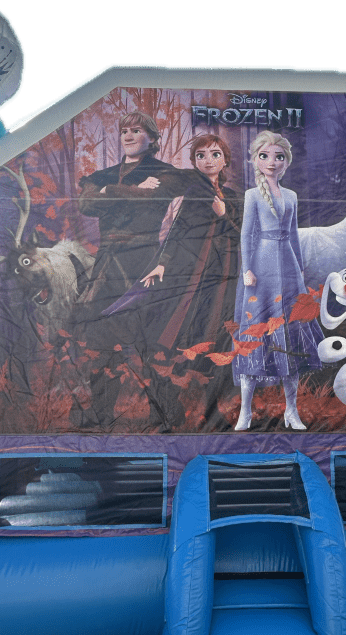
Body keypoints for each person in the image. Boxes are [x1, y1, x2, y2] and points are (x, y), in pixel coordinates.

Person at [106, 134, 242, 430]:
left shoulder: (233, 198)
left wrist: (222, 215)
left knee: (219, 336)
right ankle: (169, 407)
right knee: (178, 333)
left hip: (226, 276)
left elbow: (241, 235)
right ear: (194, 162)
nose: (208, 160)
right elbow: (177, 231)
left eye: (215, 154)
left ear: (225, 160)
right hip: (192, 272)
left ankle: (214, 408)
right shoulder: (193, 193)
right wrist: (161, 264)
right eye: (201, 155)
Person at [232, 130, 323, 431]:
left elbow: (294, 235)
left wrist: (300, 270)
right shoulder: (252, 195)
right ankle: (245, 411)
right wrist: (247, 269)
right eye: (265, 156)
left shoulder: (291, 196)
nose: (272, 162)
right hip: (261, 268)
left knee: (290, 333)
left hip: (288, 268)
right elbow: (246, 234)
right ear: (255, 160)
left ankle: (291, 411)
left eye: (278, 157)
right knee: (256, 332)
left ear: (286, 161)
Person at [78, 111, 178, 315]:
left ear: (152, 138)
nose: (128, 136)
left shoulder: (165, 172)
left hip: (144, 257)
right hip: (108, 259)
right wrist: (132, 189)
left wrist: (107, 191)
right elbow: (86, 205)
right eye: (124, 131)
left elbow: (150, 200)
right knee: (98, 317)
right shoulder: (102, 175)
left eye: (136, 131)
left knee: (142, 316)